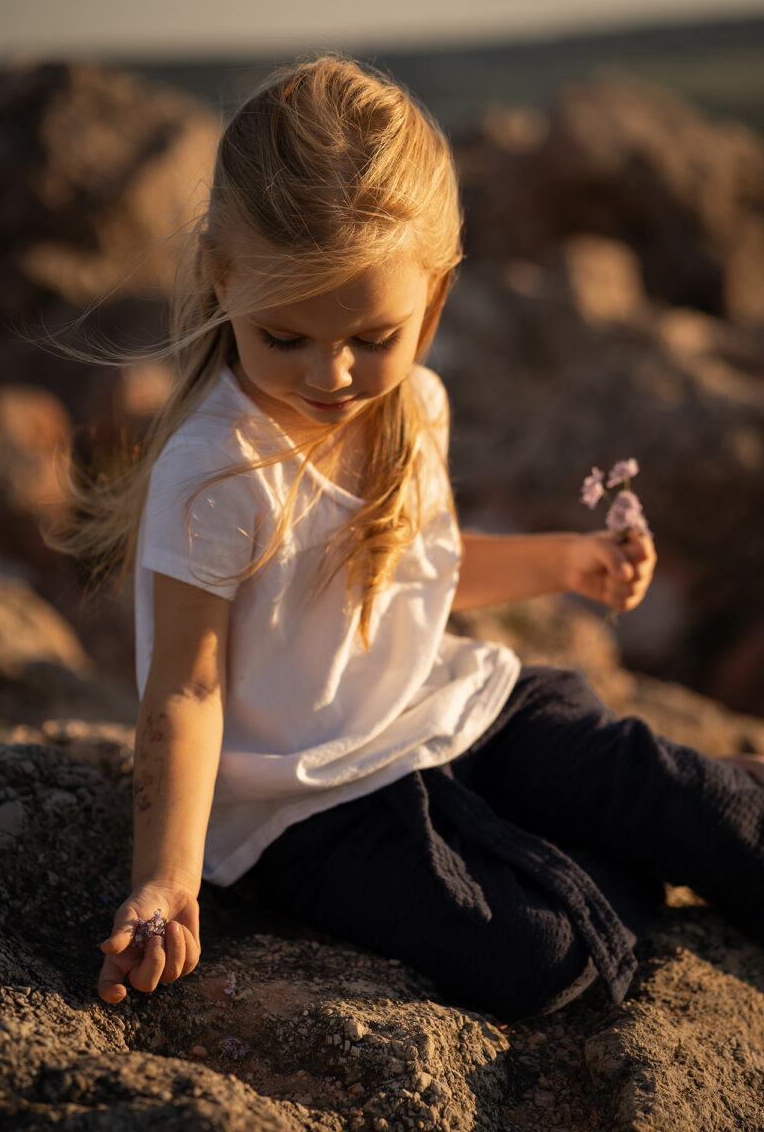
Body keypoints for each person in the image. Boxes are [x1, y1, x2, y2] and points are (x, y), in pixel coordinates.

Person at [54, 55, 764, 1022]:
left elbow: (408, 576)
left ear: (433, 298)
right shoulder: (216, 469)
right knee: (544, 958)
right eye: (286, 337)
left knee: (686, 797)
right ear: (223, 279)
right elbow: (186, 688)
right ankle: (618, 851)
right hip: (314, 802)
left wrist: (566, 559)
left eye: (371, 336)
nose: (333, 374)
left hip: (447, 710)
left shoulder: (413, 402)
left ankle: (687, 814)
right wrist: (168, 879)